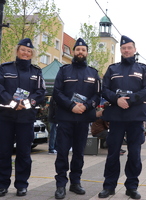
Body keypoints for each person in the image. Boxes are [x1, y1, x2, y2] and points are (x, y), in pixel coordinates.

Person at [98, 35, 146, 199]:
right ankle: (109, 187)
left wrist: (131, 100)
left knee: (135, 154)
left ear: (135, 50)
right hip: (117, 117)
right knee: (113, 153)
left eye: (129, 47)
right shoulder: (112, 69)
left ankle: (132, 187)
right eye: (123, 48)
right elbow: (104, 89)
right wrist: (117, 100)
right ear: (120, 50)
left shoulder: (143, 69)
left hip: (136, 117)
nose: (126, 50)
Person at [0, 38, 46, 197]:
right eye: (23, 50)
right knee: (3, 153)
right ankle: (2, 185)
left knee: (23, 153)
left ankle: (22, 185)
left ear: (32, 54)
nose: (26, 53)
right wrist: (12, 102)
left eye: (29, 51)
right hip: (6, 117)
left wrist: (28, 103)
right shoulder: (4, 68)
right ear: (17, 51)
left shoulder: (36, 72)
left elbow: (41, 92)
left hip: (26, 119)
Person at [52, 38, 101, 199]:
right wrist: (71, 105)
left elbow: (97, 95)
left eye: (83, 50)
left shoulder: (93, 73)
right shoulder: (64, 70)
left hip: (83, 118)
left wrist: (86, 106)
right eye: (78, 49)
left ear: (87, 53)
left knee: (79, 153)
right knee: (62, 152)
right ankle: (60, 185)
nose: (80, 52)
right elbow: (57, 92)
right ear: (73, 51)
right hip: (66, 117)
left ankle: (75, 182)